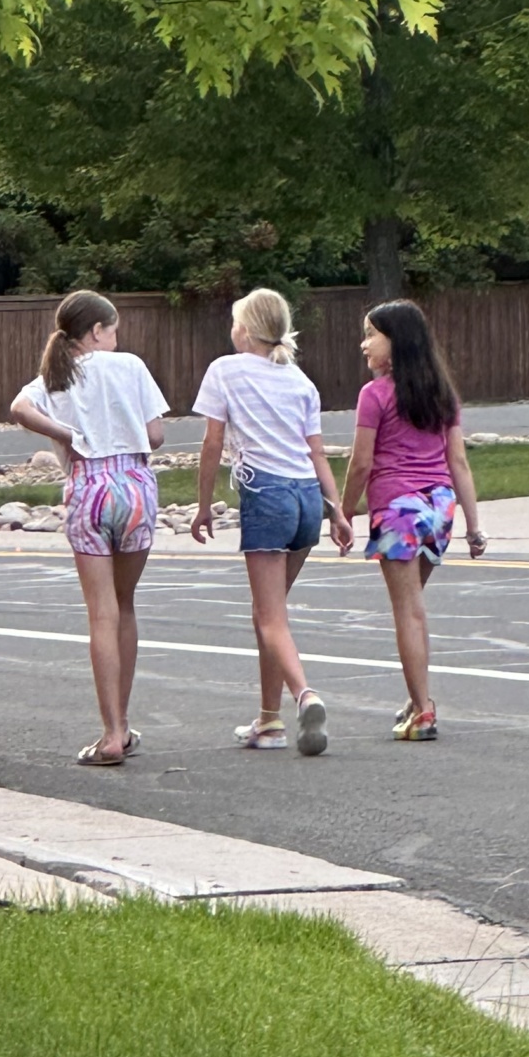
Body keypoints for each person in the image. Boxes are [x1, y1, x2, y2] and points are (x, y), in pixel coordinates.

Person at [11, 290, 168, 767]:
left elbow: (20, 408)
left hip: (89, 486)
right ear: (97, 331)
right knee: (125, 604)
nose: (116, 339)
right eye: (113, 331)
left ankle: (111, 732)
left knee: (101, 613)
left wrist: (66, 433)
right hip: (135, 485)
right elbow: (156, 435)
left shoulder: (56, 376)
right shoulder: (131, 366)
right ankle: (126, 719)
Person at [191, 288, 351, 754]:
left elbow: (212, 443)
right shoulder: (300, 381)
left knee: (269, 617)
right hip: (306, 497)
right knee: (270, 614)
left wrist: (204, 504)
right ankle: (268, 720)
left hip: (266, 493)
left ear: (244, 330)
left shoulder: (225, 370)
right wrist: (337, 510)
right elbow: (316, 452)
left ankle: (305, 695)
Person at [339, 299, 486, 740]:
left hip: (398, 510)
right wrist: (473, 527)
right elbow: (458, 461)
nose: (364, 344)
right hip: (439, 508)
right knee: (415, 606)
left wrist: (344, 513)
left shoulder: (374, 395)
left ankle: (423, 710)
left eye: (371, 334)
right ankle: (417, 698)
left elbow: (361, 463)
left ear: (396, 341)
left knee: (408, 612)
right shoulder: (442, 393)